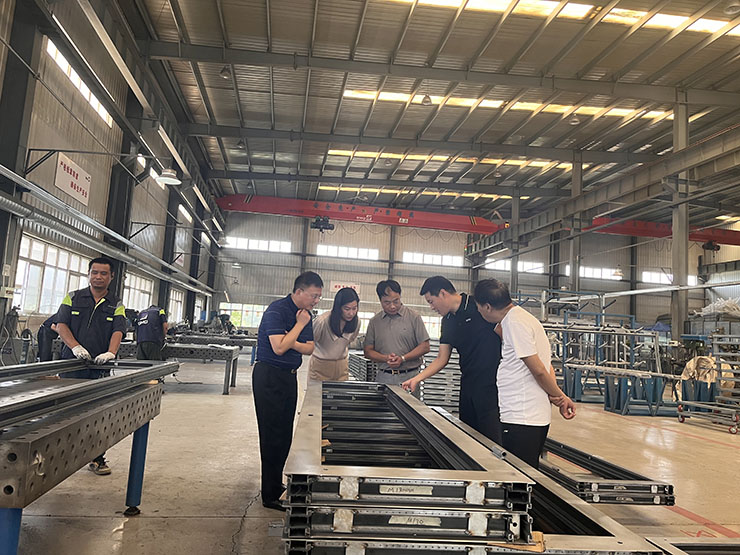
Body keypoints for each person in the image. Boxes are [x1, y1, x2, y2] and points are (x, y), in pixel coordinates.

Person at [474, 279, 576, 469]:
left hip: (522, 416)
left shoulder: (515, 323)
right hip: (527, 414)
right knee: (525, 471)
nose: (479, 312)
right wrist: (557, 394)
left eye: (479, 308)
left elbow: (539, 370)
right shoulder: (520, 318)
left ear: (487, 306)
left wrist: (561, 398)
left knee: (519, 475)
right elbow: (546, 366)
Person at [253, 271, 323, 511]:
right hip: (269, 376)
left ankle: (276, 485)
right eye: (313, 296)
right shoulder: (278, 310)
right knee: (271, 435)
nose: (316, 301)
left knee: (284, 435)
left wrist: (290, 339)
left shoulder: (306, 314)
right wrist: (299, 327)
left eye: (318, 297)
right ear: (299, 291)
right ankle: (269, 494)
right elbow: (279, 348)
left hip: (289, 377)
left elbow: (310, 348)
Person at [402, 276, 502, 443]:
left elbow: (507, 337)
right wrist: (417, 379)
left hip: (493, 387)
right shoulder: (448, 321)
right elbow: (442, 358)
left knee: (493, 439)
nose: (431, 307)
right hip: (468, 386)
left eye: (431, 301)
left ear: (443, 293)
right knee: (470, 437)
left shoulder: (478, 305)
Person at [56, 256, 127, 476]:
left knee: (97, 414)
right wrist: (75, 347)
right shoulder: (73, 297)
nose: (98, 277)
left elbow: (118, 331)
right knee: (66, 411)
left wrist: (111, 353)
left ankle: (97, 458)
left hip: (99, 367)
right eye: (94, 272)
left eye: (103, 273)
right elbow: (61, 324)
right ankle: (59, 457)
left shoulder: (116, 304)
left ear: (111, 277)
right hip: (71, 365)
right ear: (88, 274)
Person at [364, 280, 430, 397]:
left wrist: (403, 358)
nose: (392, 306)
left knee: (409, 408)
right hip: (384, 377)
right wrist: (386, 358)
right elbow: (368, 351)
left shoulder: (413, 317)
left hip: (409, 377)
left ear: (400, 296)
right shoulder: (375, 322)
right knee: (382, 408)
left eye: (396, 301)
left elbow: (425, 346)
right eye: (387, 302)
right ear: (380, 300)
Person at [309, 287, 360, 381]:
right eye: (347, 309)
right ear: (338, 307)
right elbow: (310, 341)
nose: (351, 313)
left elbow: (351, 340)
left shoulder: (356, 322)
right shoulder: (322, 321)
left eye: (354, 308)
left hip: (342, 366)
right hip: (320, 366)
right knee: (317, 391)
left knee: (341, 390)